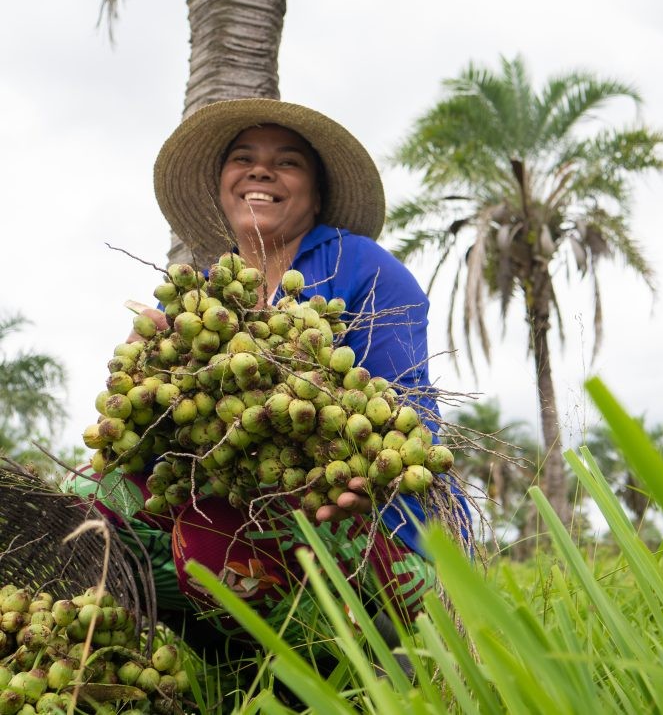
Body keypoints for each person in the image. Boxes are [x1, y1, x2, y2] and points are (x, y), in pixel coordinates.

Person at [67, 99, 471, 653]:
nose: (261, 171)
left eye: (287, 162)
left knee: (212, 543)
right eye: (243, 159)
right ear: (222, 185)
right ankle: (201, 649)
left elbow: (408, 427)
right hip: (237, 498)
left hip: (373, 523)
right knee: (85, 498)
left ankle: (359, 659)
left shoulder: (365, 269)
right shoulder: (201, 297)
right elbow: (159, 442)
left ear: (317, 194)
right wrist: (141, 379)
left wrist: (357, 472)